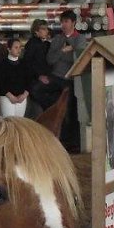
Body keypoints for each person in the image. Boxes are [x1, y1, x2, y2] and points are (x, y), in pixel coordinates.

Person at [33, 10, 88, 152]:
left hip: (70, 79)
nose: (64, 24)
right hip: (56, 76)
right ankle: (53, 106)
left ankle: (70, 143)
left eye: (66, 22)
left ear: (73, 23)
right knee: (37, 90)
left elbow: (78, 58)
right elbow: (50, 59)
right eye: (62, 22)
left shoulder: (80, 39)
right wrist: (63, 51)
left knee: (70, 112)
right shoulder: (57, 39)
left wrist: (63, 54)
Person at [0, 37, 31, 117]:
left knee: (19, 123)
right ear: (9, 49)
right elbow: (0, 83)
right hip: (6, 98)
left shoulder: (24, 64)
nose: (19, 50)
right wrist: (11, 97)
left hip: (22, 98)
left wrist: (24, 95)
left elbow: (29, 81)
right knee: (8, 123)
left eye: (20, 47)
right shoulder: (2, 64)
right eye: (16, 47)